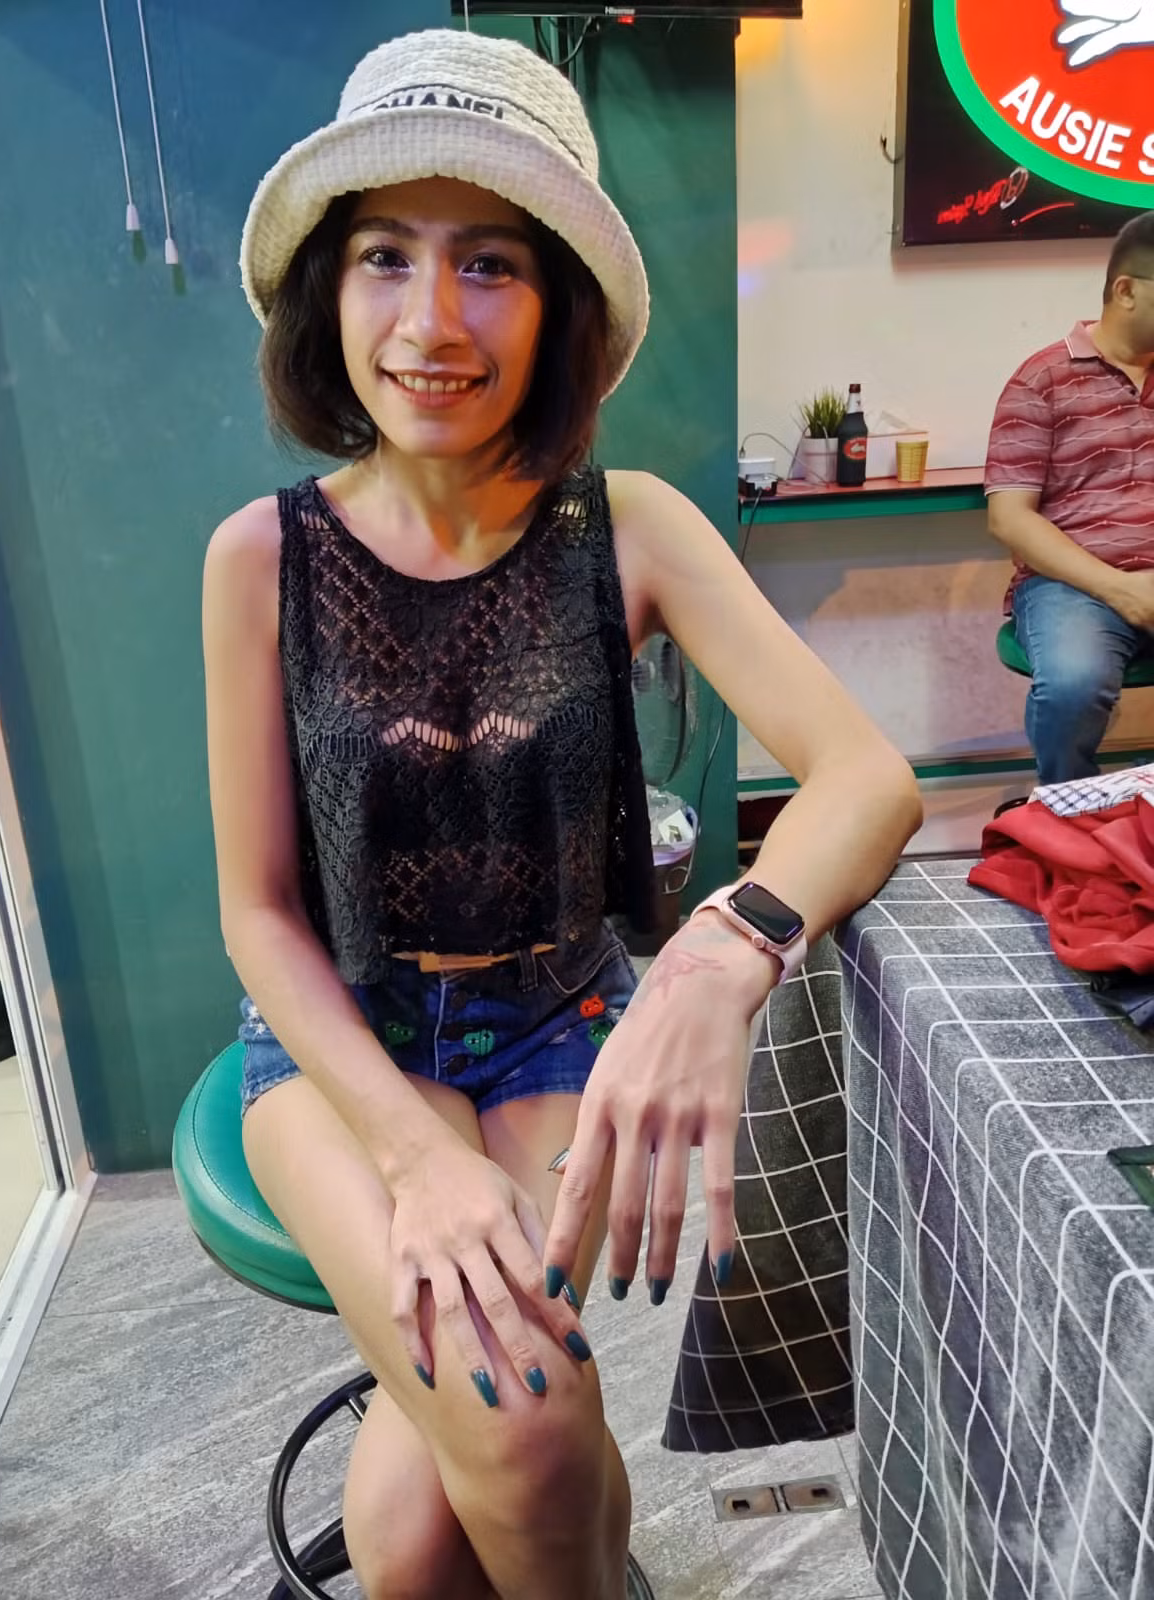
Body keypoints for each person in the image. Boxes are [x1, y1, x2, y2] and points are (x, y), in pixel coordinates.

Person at [203, 28, 920, 1600]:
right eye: (386, 257)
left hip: (554, 1019)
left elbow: (867, 777)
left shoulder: (630, 529)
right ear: (330, 287)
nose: (431, 320)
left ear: (558, 304)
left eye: (490, 264)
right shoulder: (261, 559)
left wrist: (719, 959)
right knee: (497, 1455)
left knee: (449, 1500)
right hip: (340, 1043)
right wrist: (413, 1156)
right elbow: (255, 910)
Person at [985, 210, 1154, 787]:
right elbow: (1009, 519)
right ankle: (1069, 806)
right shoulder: (1042, 380)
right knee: (1074, 684)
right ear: (1125, 291)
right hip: (1074, 584)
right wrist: (1120, 588)